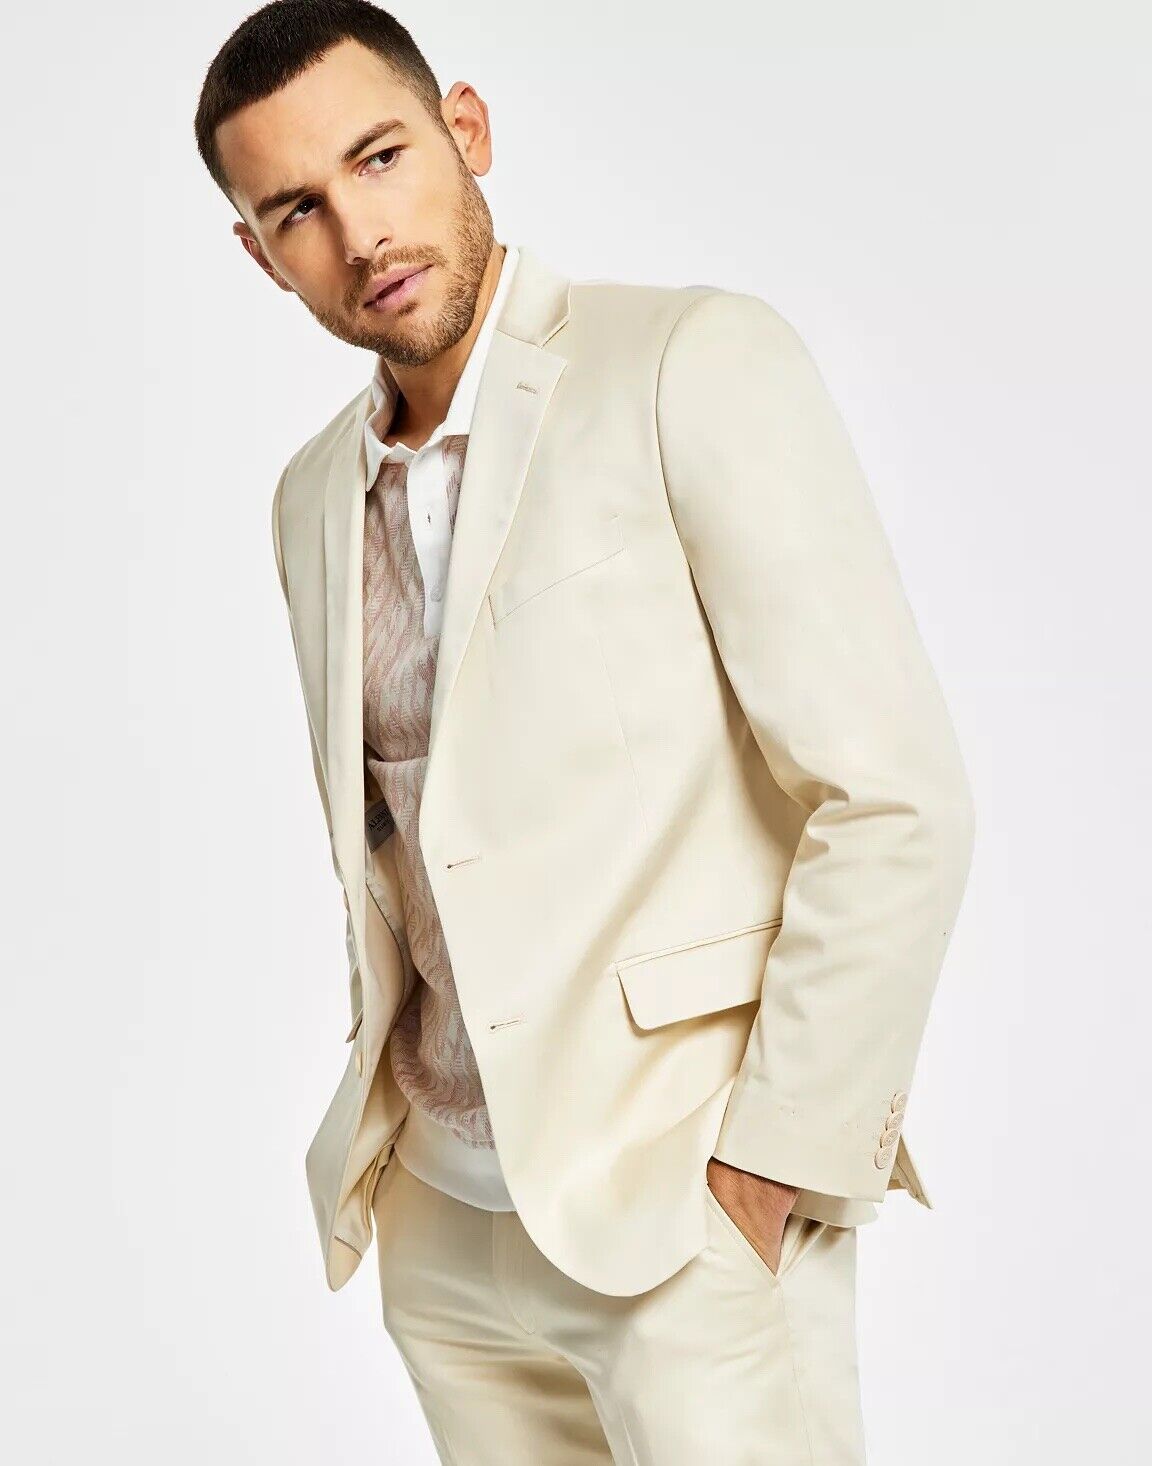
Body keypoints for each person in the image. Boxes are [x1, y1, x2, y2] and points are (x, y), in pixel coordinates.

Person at [193, 3, 975, 1460]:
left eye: (380, 158)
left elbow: (891, 798)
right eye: (297, 209)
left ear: (467, 130)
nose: (360, 234)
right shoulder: (308, 499)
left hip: (679, 1213)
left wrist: (767, 1167)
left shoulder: (685, 362)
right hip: (445, 1228)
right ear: (258, 252)